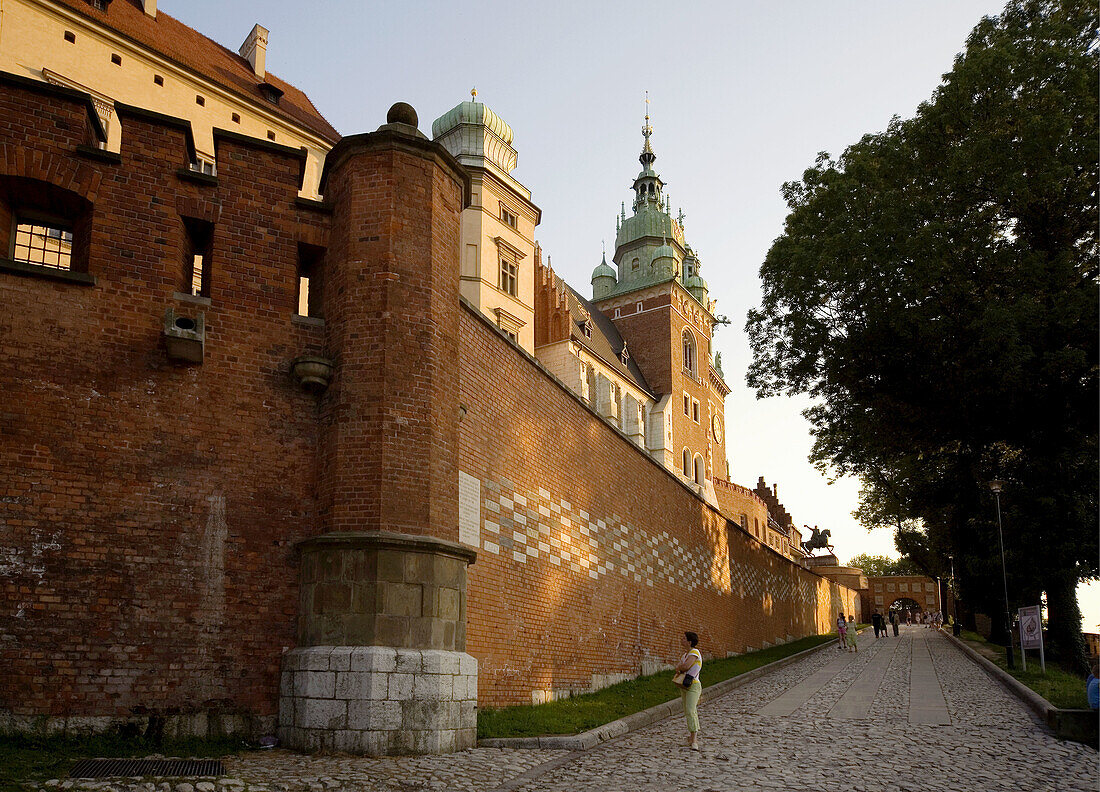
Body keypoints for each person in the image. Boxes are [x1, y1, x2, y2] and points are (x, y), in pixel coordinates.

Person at [675, 631, 703, 750]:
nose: (681, 640)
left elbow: (685, 666)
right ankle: (691, 738)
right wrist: (680, 667)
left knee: (691, 710)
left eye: (683, 638)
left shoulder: (694, 652)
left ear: (689, 642)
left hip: (693, 685)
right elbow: (681, 667)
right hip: (685, 685)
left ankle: (694, 740)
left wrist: (679, 667)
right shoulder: (685, 655)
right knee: (688, 711)